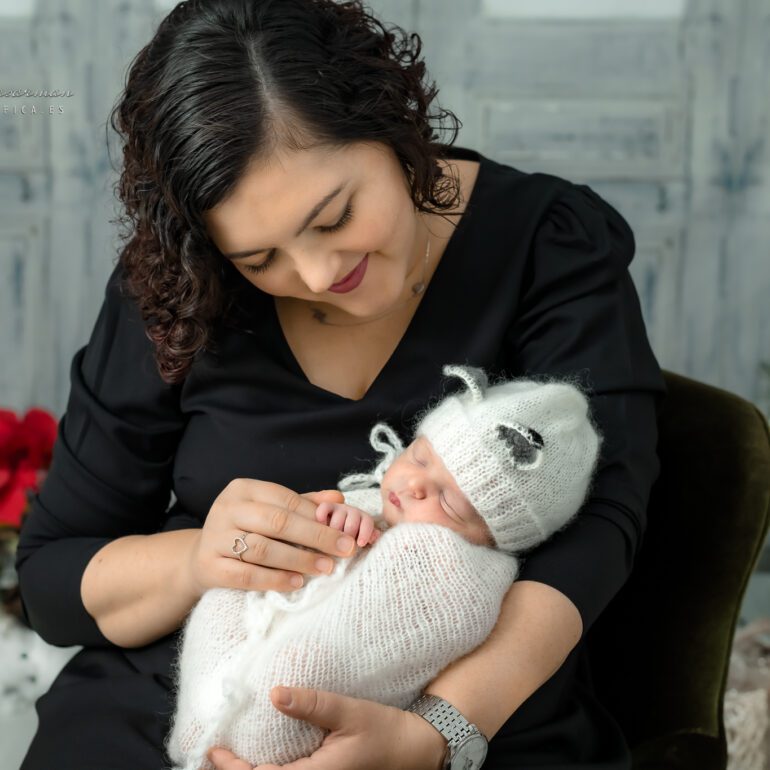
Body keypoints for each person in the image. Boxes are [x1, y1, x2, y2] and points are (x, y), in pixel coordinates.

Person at [13, 0, 667, 768]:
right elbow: (54, 575)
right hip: (186, 687)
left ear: (390, 126)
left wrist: (434, 737)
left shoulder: (547, 244)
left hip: (464, 692)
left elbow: (602, 529)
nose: (320, 276)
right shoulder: (182, 289)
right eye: (262, 261)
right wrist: (201, 560)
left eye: (336, 215)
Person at [166, 365, 602, 770]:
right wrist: (343, 523)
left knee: (302, 667)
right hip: (270, 623)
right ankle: (204, 726)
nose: (412, 485)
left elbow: (380, 629)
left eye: (447, 500)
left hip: (316, 676)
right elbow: (304, 550)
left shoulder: (464, 573)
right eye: (419, 457)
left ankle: (255, 742)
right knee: (220, 600)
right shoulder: (374, 501)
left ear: (491, 537)